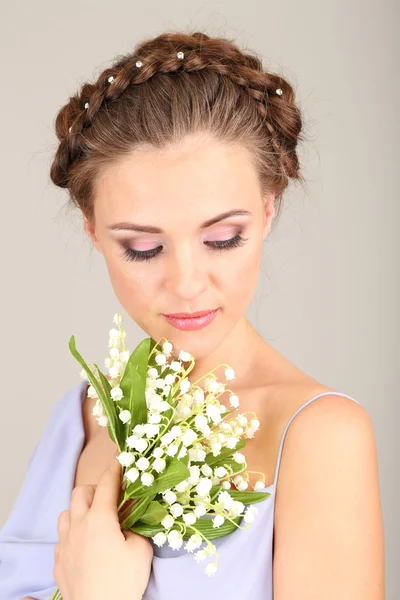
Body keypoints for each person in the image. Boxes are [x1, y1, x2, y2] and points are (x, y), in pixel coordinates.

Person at [0, 30, 384, 600]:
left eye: (224, 238)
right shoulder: (80, 417)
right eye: (143, 248)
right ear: (92, 230)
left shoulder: (319, 438)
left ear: (268, 209)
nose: (186, 283)